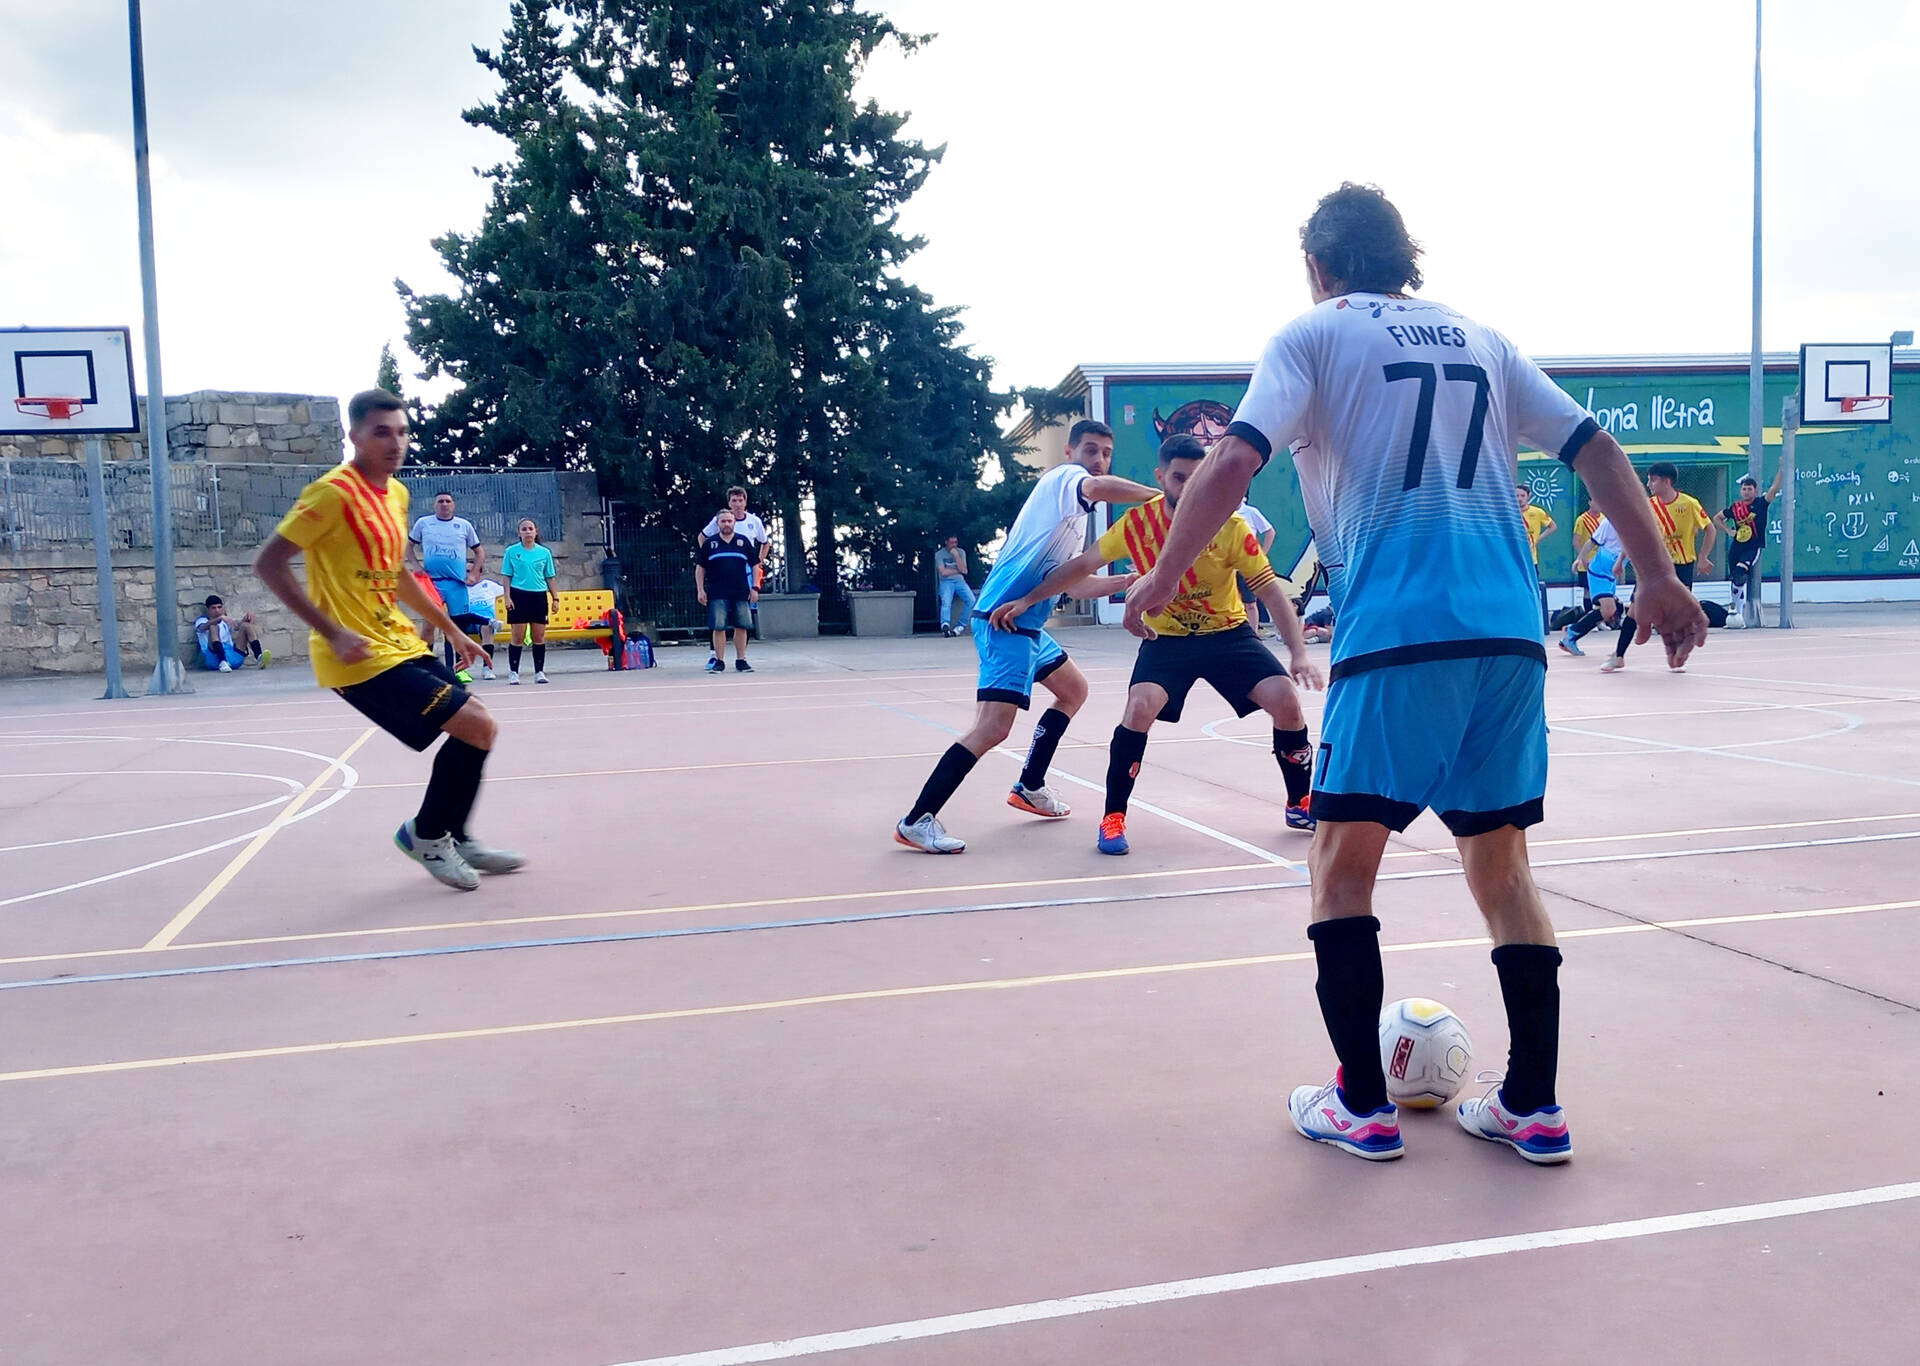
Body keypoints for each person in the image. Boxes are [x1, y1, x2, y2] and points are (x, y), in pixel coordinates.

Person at [1122, 183, 1707, 1164]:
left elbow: (1232, 462)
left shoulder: (1312, 337)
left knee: (1339, 867)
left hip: (1397, 634)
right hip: (1509, 634)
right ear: (1406, 258)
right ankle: (1533, 1107)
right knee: (1503, 865)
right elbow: (1595, 446)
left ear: (1318, 266)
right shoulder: (1483, 339)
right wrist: (1655, 574)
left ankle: (1361, 1104)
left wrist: (1165, 572)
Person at [989, 433, 1324, 854]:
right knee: (1139, 707)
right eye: (1179, 478)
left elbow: (1270, 590)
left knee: (1287, 700)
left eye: (1197, 478)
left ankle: (1299, 802)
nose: (1189, 487)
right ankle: (1113, 817)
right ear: (1161, 477)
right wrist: (1027, 600)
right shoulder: (1138, 525)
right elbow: (1081, 565)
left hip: (1227, 635)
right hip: (1166, 639)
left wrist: (1298, 653)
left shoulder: (1231, 525)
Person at [252, 388, 521, 890]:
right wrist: (331, 631)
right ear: (354, 436)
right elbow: (268, 563)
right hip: (357, 656)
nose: (395, 443)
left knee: (480, 728)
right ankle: (427, 836)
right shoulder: (331, 494)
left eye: (402, 432)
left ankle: (454, 834)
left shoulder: (395, 494)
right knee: (475, 722)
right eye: (381, 432)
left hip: (398, 641)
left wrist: (452, 631)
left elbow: (396, 574)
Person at [893, 419, 1157, 854]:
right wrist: (1162, 497)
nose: (1099, 460)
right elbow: (1097, 487)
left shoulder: (1073, 522)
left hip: (1027, 625)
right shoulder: (1065, 480)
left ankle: (1030, 786)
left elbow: (1073, 584)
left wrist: (1127, 580)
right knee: (992, 728)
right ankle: (917, 819)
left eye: (1106, 453)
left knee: (1073, 690)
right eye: (1091, 450)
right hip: (1005, 621)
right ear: (1070, 452)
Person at [1607, 461, 1715, 672]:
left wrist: (1703, 557)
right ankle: (1618, 655)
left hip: (1682, 566)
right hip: (1653, 568)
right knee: (1634, 611)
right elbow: (1635, 536)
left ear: (1667, 481)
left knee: (1679, 614)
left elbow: (1710, 530)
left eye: (1653, 480)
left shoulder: (1689, 504)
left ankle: (1678, 656)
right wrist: (1621, 560)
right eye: (1648, 480)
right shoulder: (1648, 506)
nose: (1649, 484)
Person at [408, 491, 482, 673]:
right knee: (429, 625)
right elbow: (408, 546)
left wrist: (474, 572)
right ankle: (426, 666)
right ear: (434, 505)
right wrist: (416, 565)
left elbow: (479, 551)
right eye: (440, 501)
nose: (444, 504)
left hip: (457, 584)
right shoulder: (423, 523)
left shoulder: (464, 525)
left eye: (448, 501)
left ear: (453, 505)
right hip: (433, 583)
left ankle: (459, 670)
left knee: (458, 627)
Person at [701, 487, 770, 661]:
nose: (738, 504)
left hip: (745, 571)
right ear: (729, 503)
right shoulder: (720, 520)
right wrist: (709, 556)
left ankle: (741, 657)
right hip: (721, 570)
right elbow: (702, 537)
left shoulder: (754, 521)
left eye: (740, 500)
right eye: (734, 501)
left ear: (745, 502)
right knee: (718, 618)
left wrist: (759, 561)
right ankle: (715, 656)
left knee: (744, 618)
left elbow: (765, 542)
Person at [1715, 469, 1781, 629]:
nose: (1746, 492)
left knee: (1740, 572)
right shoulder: (1735, 507)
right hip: (1737, 546)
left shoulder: (1760, 503)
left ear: (1755, 490)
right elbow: (1717, 518)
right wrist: (1728, 531)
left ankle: (1738, 612)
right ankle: (1736, 615)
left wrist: (1781, 470)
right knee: (1736, 582)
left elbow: (1773, 489)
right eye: (1744, 489)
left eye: (1749, 489)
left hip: (1752, 546)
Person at [695, 509, 759, 673]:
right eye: (723, 521)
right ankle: (719, 661)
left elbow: (755, 565)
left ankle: (741, 660)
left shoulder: (743, 542)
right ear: (717, 523)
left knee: (742, 625)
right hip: (717, 591)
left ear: (734, 523)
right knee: (718, 626)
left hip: (740, 590)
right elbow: (700, 568)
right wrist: (700, 590)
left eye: (729, 521)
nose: (726, 524)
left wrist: (755, 587)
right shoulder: (710, 544)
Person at [1557, 515, 1628, 658]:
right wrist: (1579, 559)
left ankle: (1573, 631)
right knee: (1609, 610)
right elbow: (1591, 542)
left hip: (1611, 574)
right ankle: (1570, 634)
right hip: (1600, 571)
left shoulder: (1636, 523)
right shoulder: (1609, 522)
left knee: (1608, 612)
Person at [499, 518, 560, 684]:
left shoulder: (544, 552)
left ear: (536, 531)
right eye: (524, 529)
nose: (527, 532)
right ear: (519, 533)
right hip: (518, 595)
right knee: (517, 636)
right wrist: (507, 597)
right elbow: (506, 576)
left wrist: (555, 598)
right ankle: (514, 672)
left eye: (530, 529)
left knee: (538, 636)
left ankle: (539, 672)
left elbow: (550, 577)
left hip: (538, 596)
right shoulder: (511, 551)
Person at [1517, 484, 1556, 632]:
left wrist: (1538, 538)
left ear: (1528, 496)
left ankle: (1534, 621)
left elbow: (1552, 526)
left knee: (1533, 590)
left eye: (1522, 496)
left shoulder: (1536, 512)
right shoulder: (1509, 512)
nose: (1519, 499)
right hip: (1515, 559)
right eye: (1516, 496)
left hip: (1531, 559)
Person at [193, 595, 268, 671]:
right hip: (214, 658)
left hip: (232, 657)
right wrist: (219, 618)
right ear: (208, 609)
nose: (217, 610)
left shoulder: (225, 621)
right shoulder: (202, 620)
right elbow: (202, 627)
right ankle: (222, 662)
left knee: (246, 626)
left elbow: (237, 625)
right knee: (213, 626)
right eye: (213, 608)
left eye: (219, 607)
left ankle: (259, 657)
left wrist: (247, 618)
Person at [460, 554, 504, 681]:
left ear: (480, 572)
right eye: (466, 571)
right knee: (458, 625)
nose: (469, 574)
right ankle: (460, 671)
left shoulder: (488, 585)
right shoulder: (460, 588)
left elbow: (509, 590)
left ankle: (487, 668)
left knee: (487, 626)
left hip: (485, 622)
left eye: (472, 571)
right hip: (467, 621)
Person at [1237, 499, 1278, 635]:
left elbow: (1270, 531)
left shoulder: (1251, 512)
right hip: (1227, 565)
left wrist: (1262, 554)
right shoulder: (1223, 512)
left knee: (1250, 602)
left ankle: (1253, 634)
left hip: (1247, 564)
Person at [934, 535, 976, 636]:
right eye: (951, 543)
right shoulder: (939, 554)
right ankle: (945, 625)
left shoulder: (961, 552)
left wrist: (956, 556)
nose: (954, 545)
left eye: (956, 542)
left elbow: (964, 571)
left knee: (971, 600)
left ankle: (960, 626)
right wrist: (958, 570)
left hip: (960, 581)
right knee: (946, 602)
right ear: (946, 542)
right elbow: (943, 572)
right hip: (946, 581)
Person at [1570, 499, 1602, 610]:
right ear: (1590, 502)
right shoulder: (1582, 519)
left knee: (1601, 590)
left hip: (1601, 561)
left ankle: (1600, 615)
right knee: (1588, 590)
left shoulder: (1604, 519)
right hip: (1586, 562)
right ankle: (1588, 614)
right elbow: (1576, 542)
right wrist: (1583, 558)